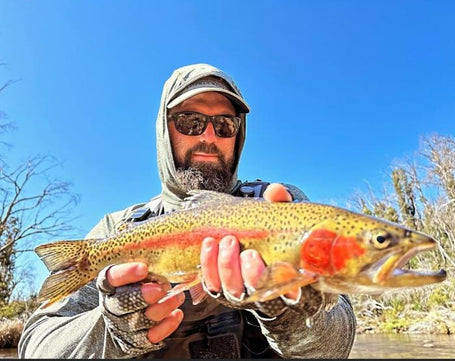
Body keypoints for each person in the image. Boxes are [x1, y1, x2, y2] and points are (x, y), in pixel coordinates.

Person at [18, 63, 357, 359]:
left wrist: (290, 312)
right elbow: (36, 346)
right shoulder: (118, 228)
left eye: (225, 125)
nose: (209, 136)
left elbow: (336, 346)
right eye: (190, 121)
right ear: (164, 130)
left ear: (238, 136)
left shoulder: (279, 208)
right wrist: (112, 330)